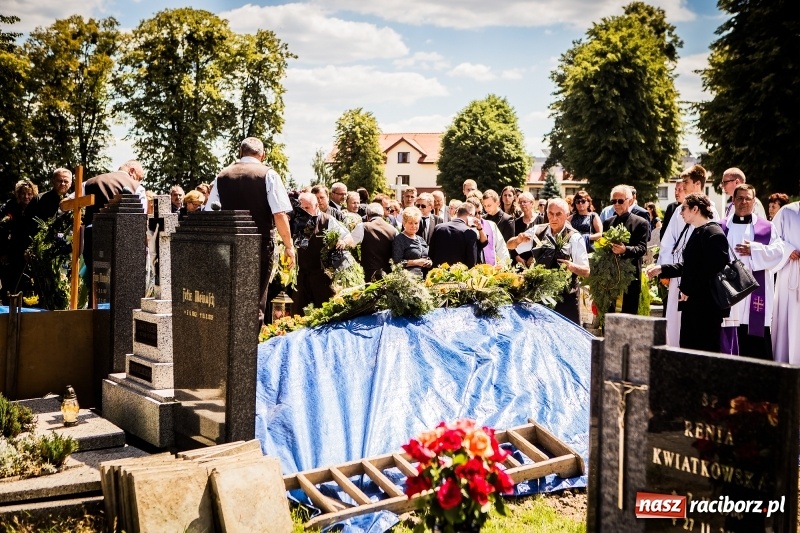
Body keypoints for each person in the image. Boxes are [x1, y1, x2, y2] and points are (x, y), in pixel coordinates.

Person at [205, 137, 295, 322]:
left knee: (230, 299)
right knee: (255, 302)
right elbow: (279, 214)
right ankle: (251, 348)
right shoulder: (269, 175)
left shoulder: (222, 176)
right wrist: (289, 246)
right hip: (259, 244)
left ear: (240, 153)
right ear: (263, 155)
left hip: (227, 246)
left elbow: (210, 213)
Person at [646, 193, 730, 352]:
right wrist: (662, 269)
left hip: (707, 307)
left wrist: (688, 289)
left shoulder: (713, 233)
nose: (680, 212)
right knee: (690, 349)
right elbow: (690, 265)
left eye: (684, 208)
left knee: (704, 352)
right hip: (694, 304)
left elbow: (714, 269)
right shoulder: (698, 231)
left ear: (695, 209)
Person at [718, 184, 784, 359]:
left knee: (755, 343)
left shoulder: (767, 228)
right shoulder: (722, 227)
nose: (744, 202)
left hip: (756, 295)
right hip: (729, 293)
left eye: (748, 198)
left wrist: (754, 250)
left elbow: (779, 253)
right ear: (733, 200)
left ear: (754, 201)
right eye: (740, 198)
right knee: (729, 332)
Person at [657, 164, 719, 346]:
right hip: (677, 273)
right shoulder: (679, 209)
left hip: (695, 278)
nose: (682, 186)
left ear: (698, 184)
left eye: (686, 182)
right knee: (673, 319)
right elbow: (668, 241)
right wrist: (666, 269)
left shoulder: (710, 211)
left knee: (691, 322)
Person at [507, 197, 589, 324]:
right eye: (550, 213)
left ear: (567, 215)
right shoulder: (537, 231)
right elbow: (509, 245)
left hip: (566, 297)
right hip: (541, 295)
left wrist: (571, 267)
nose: (554, 218)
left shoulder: (575, 237)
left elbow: (586, 271)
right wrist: (518, 240)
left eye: (558, 214)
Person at [81, 160, 148, 306]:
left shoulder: (90, 183)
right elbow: (140, 216)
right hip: (120, 239)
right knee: (118, 283)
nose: (139, 181)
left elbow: (68, 202)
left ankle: (95, 313)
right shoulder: (137, 187)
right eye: (139, 177)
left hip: (92, 236)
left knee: (96, 280)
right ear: (132, 171)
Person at [292, 192, 349, 314]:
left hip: (322, 278)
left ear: (317, 205)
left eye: (307, 208)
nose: (304, 211)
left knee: (322, 314)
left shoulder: (327, 220)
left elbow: (348, 236)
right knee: (299, 314)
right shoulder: (296, 221)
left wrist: (343, 241)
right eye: (301, 208)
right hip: (301, 277)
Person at [602, 185, 649, 315]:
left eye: (620, 201)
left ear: (630, 201)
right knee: (609, 315)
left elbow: (642, 248)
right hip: (610, 276)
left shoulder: (641, 222)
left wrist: (625, 250)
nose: (616, 204)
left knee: (628, 315)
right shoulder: (607, 223)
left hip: (631, 277)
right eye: (613, 201)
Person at [0, 180, 39, 303]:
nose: (26, 197)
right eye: (23, 194)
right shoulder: (9, 207)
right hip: (12, 251)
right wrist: (3, 252)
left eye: (29, 194)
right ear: (18, 194)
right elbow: (2, 231)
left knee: (27, 283)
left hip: (30, 251)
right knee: (10, 283)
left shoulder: (36, 208)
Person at [771, 201, 800, 363]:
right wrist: (788, 250)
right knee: (788, 319)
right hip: (790, 275)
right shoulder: (787, 211)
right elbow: (772, 240)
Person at [348, 202, 397, 282]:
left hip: (369, 275)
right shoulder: (393, 230)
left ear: (367, 216)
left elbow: (350, 244)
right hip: (388, 276)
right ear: (382, 215)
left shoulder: (363, 226)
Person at [429, 202, 484, 268]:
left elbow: (431, 253)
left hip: (438, 273)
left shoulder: (438, 228)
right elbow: (472, 261)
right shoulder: (470, 233)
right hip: (459, 274)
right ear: (471, 215)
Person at [466, 196, 508, 267]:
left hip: (491, 271)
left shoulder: (491, 225)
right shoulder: (463, 228)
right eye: (474, 213)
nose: (478, 216)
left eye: (480, 212)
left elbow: (501, 248)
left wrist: (502, 264)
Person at [392, 206, 432, 278]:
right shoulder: (399, 239)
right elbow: (397, 262)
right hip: (406, 281)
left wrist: (429, 262)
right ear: (404, 223)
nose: (414, 226)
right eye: (410, 223)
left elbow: (427, 257)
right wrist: (416, 262)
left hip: (422, 280)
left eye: (416, 223)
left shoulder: (420, 239)